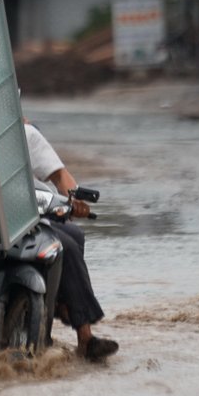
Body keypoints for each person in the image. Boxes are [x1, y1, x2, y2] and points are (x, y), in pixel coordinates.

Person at [23, 121, 119, 361]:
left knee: (72, 236)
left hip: (26, 213)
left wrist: (74, 201)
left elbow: (60, 177)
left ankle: (83, 334)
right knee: (67, 242)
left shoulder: (25, 134)